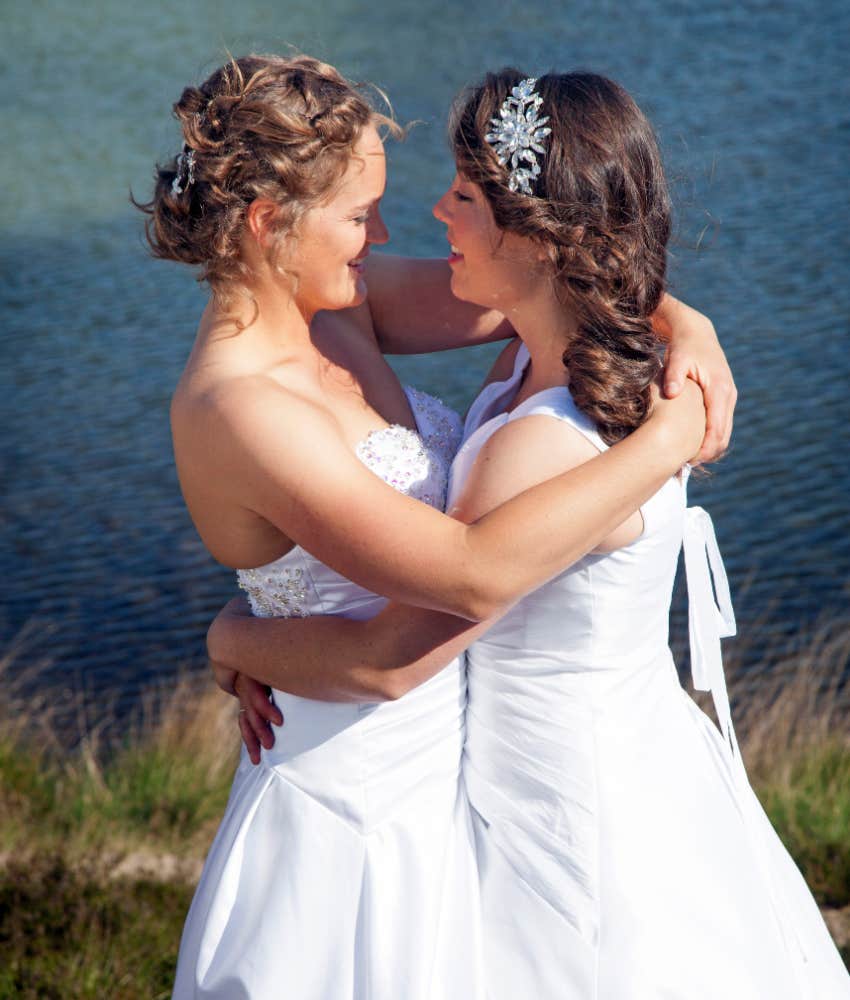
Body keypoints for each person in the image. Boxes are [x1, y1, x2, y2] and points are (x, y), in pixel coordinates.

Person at [210, 71, 850, 997]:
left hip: (560, 792)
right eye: (360, 213)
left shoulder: (535, 437)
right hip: (577, 757)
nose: (421, 217)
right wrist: (681, 332)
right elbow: (577, 273)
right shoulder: (551, 359)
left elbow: (430, 621)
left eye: (464, 196)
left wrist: (233, 636)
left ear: (538, 235)